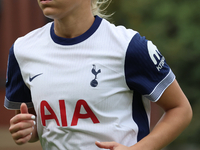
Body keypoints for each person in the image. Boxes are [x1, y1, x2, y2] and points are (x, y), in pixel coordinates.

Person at [4, 0, 192, 149]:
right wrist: (27, 130)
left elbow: (180, 109)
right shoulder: (23, 50)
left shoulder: (128, 47)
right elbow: (37, 125)